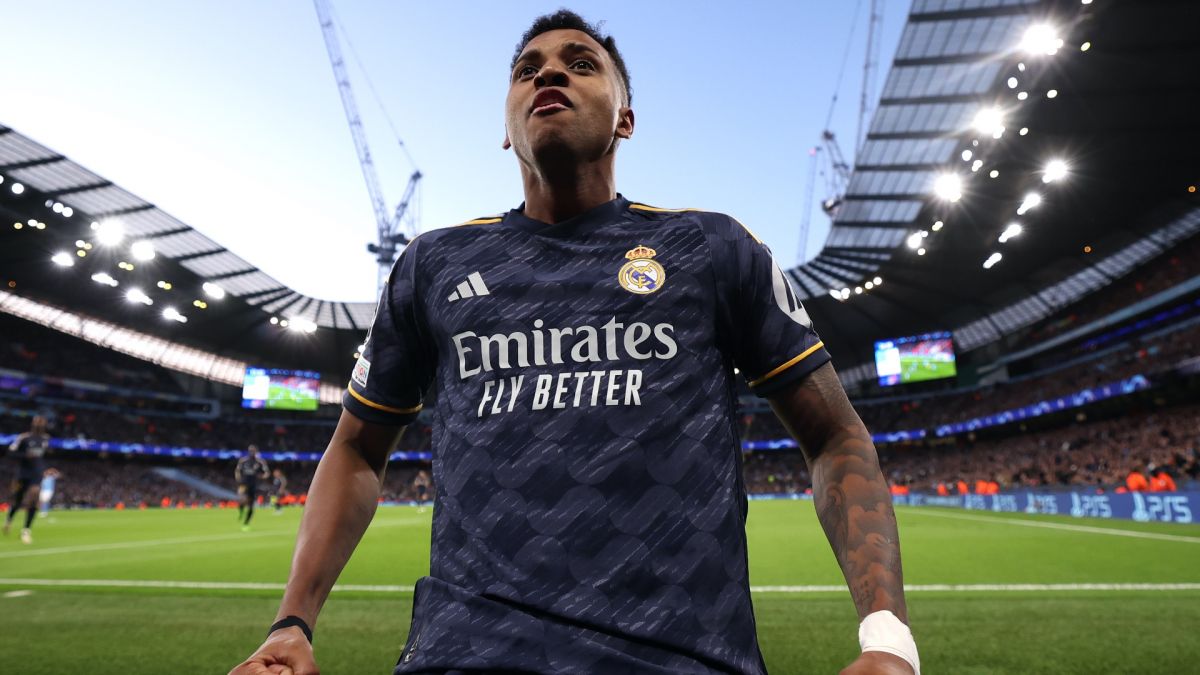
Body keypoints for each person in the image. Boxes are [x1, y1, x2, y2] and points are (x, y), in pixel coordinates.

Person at [232, 11, 917, 675]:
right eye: (526, 70)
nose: (548, 74)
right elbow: (356, 448)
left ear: (625, 118)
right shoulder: (431, 265)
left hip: (681, 658)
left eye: (581, 64)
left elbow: (835, 436)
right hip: (462, 656)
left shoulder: (712, 248)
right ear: (507, 130)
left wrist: (889, 641)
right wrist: (291, 624)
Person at [4, 416, 50, 544]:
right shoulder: (24, 438)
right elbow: (10, 452)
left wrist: (44, 468)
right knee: (18, 501)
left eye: (42, 423)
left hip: (36, 474)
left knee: (34, 499)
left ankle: (26, 531)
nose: (40, 425)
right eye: (37, 423)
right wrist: (25, 455)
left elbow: (42, 457)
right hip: (23, 474)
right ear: (33, 424)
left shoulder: (45, 439)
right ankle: (9, 519)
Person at [235, 445, 270, 530]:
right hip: (243, 484)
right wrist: (238, 478)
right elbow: (237, 470)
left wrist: (262, 476)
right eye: (250, 450)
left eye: (253, 451)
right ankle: (241, 511)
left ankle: (246, 523)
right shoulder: (243, 460)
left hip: (253, 485)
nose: (251, 452)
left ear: (256, 452)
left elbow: (267, 473)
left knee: (251, 505)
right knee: (241, 500)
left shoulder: (260, 462)